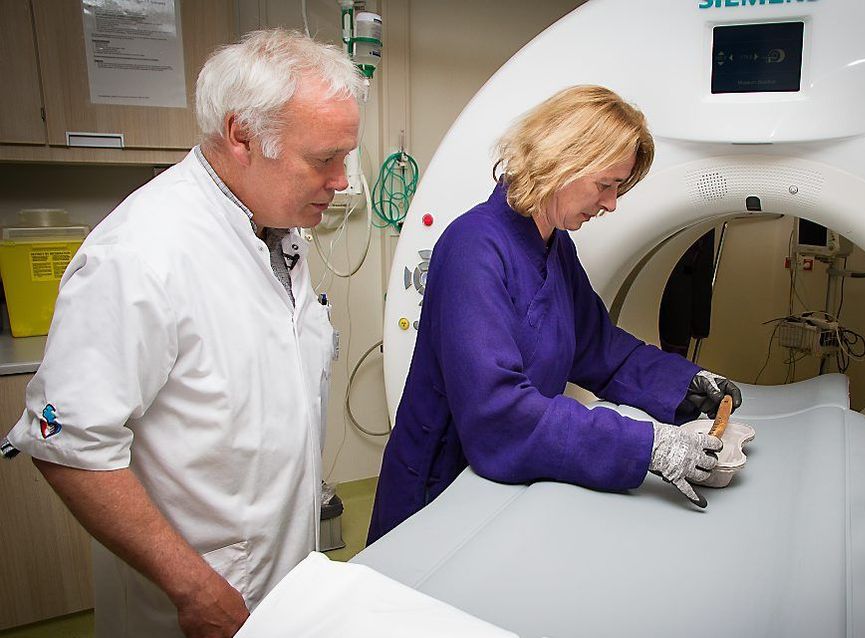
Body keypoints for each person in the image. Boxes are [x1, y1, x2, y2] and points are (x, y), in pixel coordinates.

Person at [0, 30, 360, 637]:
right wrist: (193, 588)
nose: (343, 180)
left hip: (284, 575)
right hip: (195, 597)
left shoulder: (275, 231)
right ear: (242, 136)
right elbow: (68, 446)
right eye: (324, 159)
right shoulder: (140, 255)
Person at [368, 85, 742, 544]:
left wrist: (686, 386)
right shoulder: (473, 247)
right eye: (605, 184)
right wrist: (649, 447)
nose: (611, 204)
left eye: (618, 187)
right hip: (441, 489)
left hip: (510, 480)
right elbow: (498, 413)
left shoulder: (554, 246)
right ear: (561, 162)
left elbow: (600, 349)